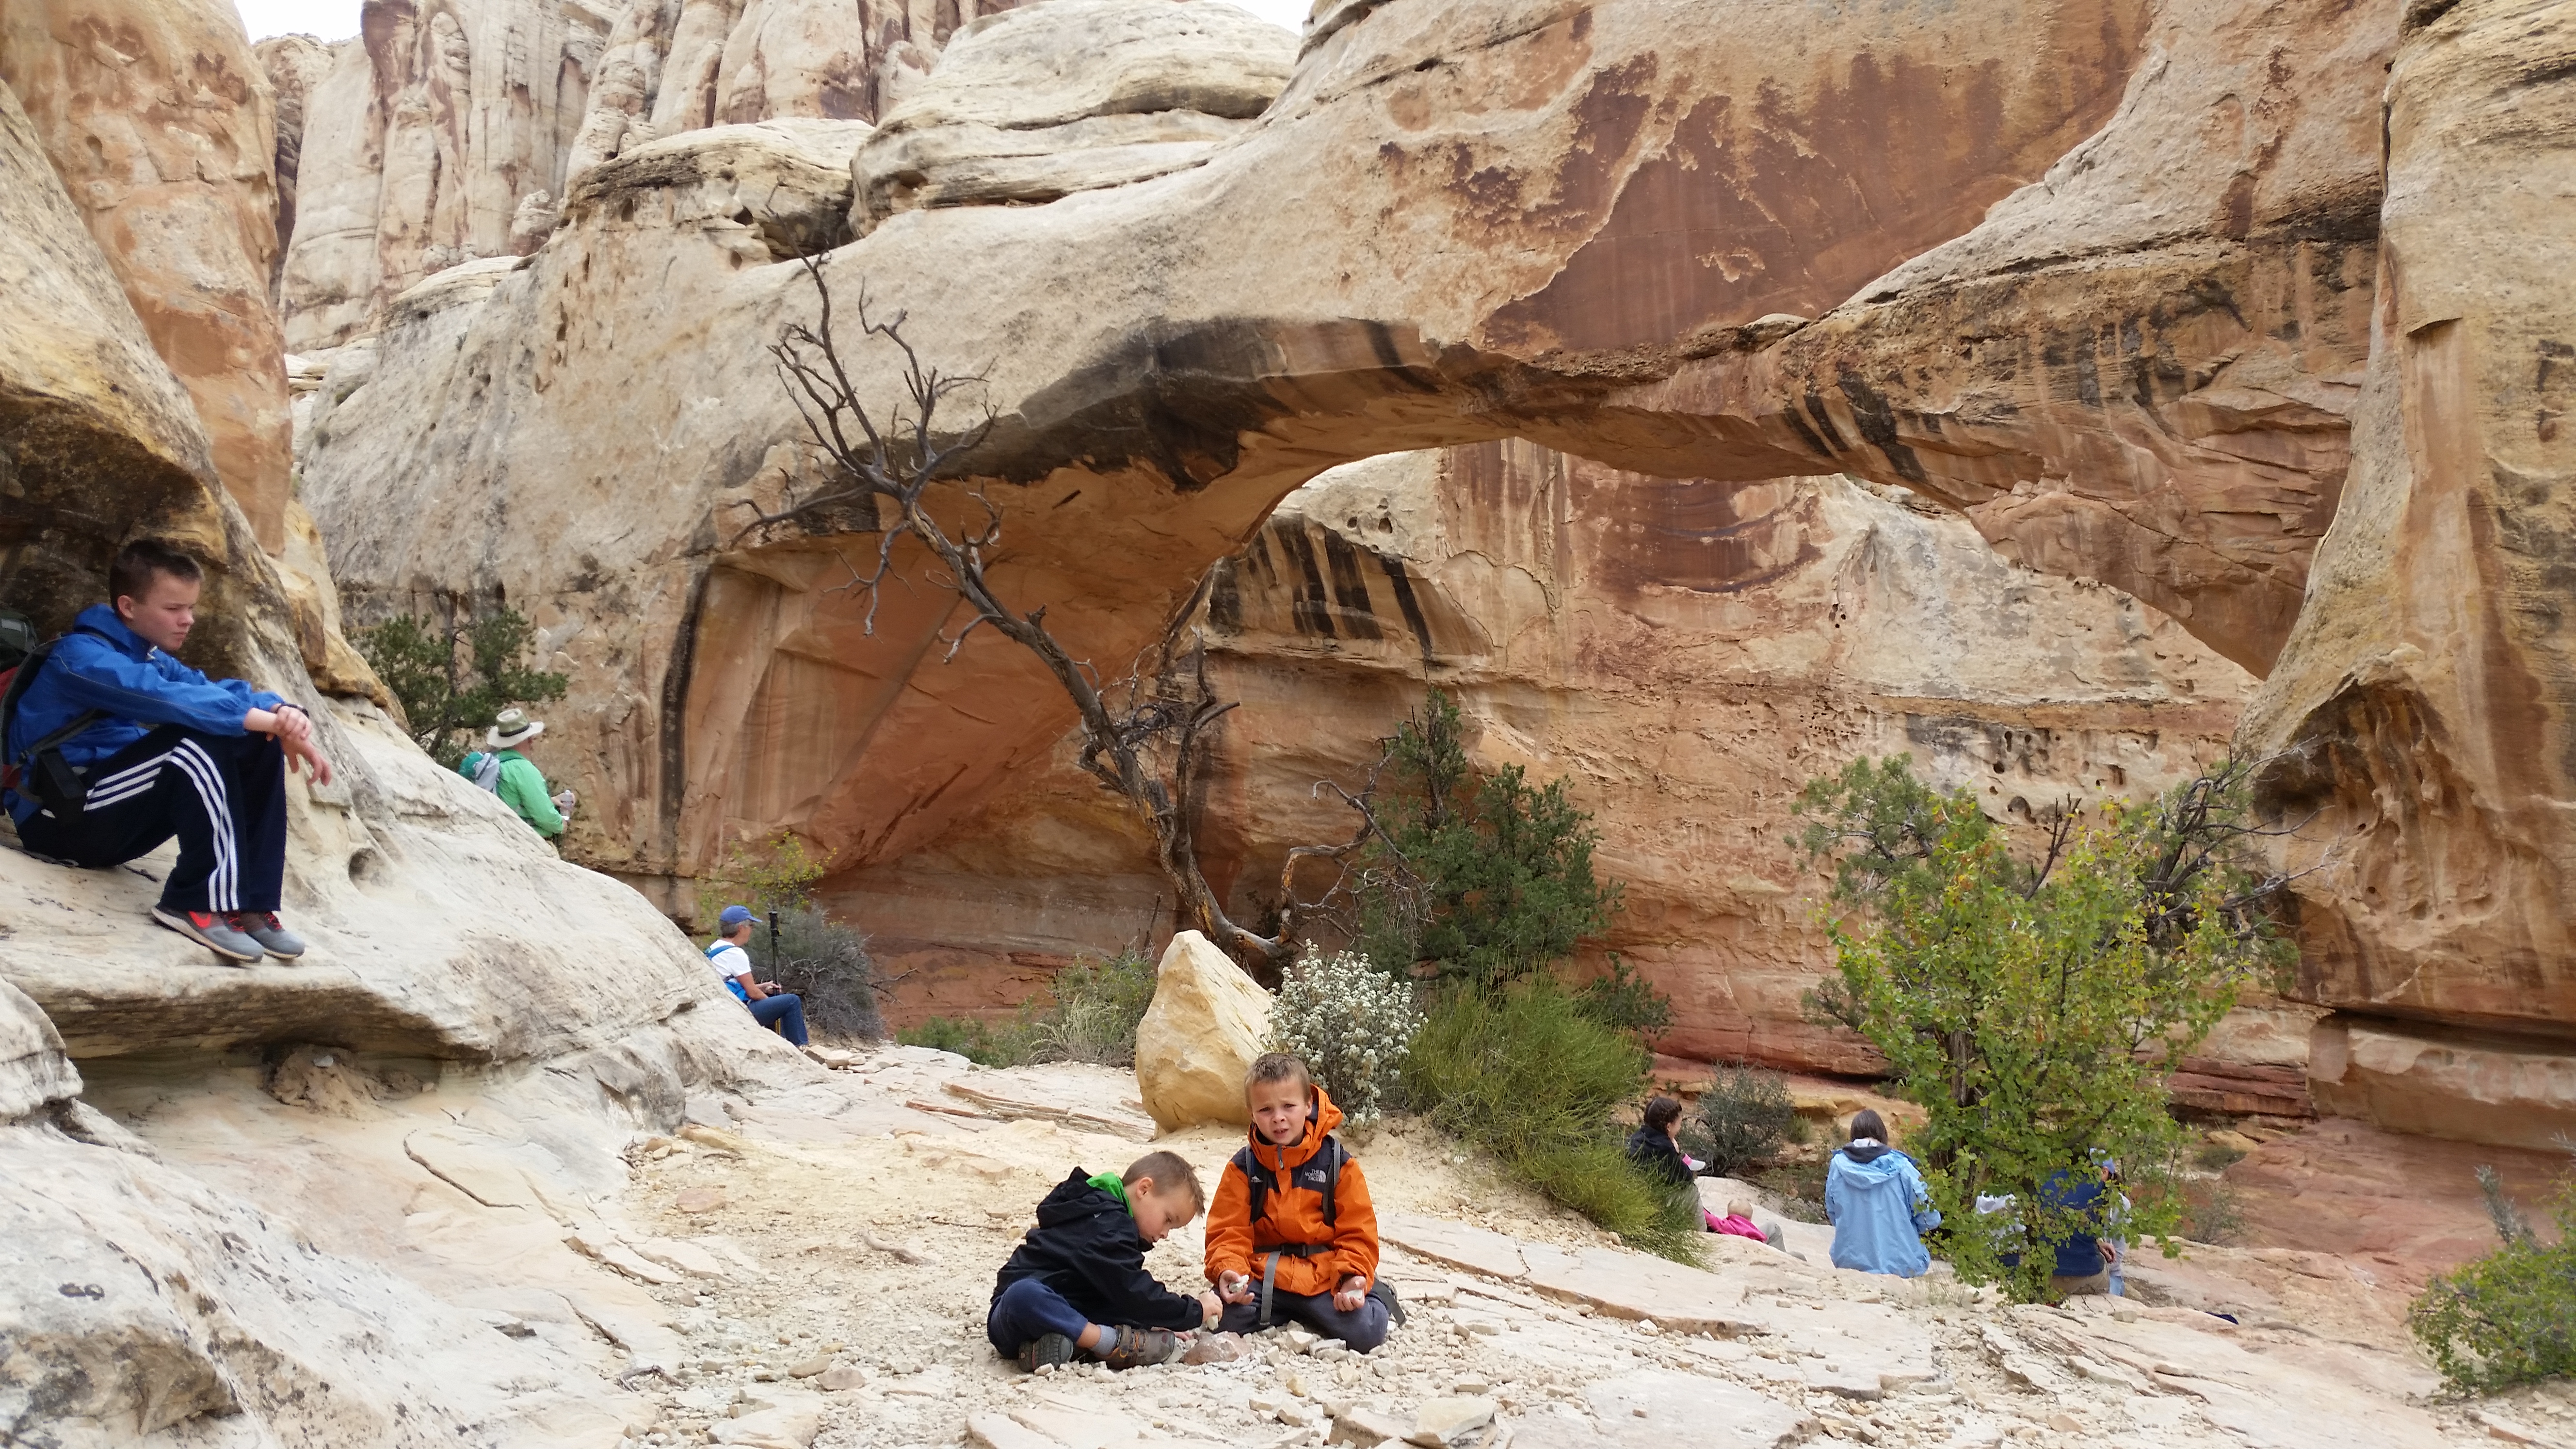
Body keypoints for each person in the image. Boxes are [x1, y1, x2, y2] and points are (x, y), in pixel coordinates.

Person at [2, 540, 332, 963]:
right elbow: (163, 696)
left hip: (111, 810)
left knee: (254, 740)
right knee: (193, 741)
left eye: (191, 608)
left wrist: (281, 713)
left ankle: (247, 903)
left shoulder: (150, 657)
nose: (188, 620)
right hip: (59, 817)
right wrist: (268, 721)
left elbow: (212, 690)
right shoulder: (78, 657)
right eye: (174, 609)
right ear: (128, 606)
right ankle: (192, 902)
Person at [1205, 1053, 1400, 1350]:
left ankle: (1371, 1291)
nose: (1278, 1118)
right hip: (1265, 1278)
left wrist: (1351, 1277)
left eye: (1289, 1106)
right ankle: (1293, 1312)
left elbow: (1358, 1233)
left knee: (1367, 1331)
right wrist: (1229, 1272)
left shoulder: (1339, 1165)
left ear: (1309, 1104)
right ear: (1251, 1112)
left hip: (1324, 1278)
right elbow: (1227, 1232)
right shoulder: (1244, 1167)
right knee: (1220, 1317)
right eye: (1266, 1109)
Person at [988, 1150, 1219, 1371]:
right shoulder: (1102, 1222)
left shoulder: (1113, 1224)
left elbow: (1117, 1291)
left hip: (1072, 1307)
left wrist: (1151, 1321)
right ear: (1145, 1189)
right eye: (1168, 1220)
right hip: (1013, 1317)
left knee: (1109, 1305)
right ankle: (1110, 1344)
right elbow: (1133, 1290)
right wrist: (1195, 1310)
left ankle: (1047, 1351)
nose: (1165, 1234)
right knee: (1025, 1294)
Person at [1824, 1109, 1942, 1277]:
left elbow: (1834, 1213)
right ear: (1882, 1134)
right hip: (1903, 1266)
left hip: (1850, 1263)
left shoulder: (1837, 1166)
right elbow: (1929, 1217)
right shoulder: (1902, 1167)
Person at [706, 904, 808, 1047]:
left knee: (776, 1000)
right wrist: (770, 1006)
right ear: (741, 928)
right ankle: (799, 1047)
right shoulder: (735, 953)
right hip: (738, 1011)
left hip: (723, 1007)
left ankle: (779, 1045)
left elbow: (730, 983)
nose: (751, 930)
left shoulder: (713, 948)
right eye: (751, 926)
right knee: (791, 1001)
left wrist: (763, 987)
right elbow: (752, 993)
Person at [462, 708, 574, 838]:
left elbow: (510, 798)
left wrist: (551, 801)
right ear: (527, 739)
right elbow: (545, 817)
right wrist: (561, 824)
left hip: (491, 831)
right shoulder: (523, 769)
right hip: (519, 838)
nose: (532, 740)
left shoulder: (495, 760)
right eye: (529, 737)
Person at [2037, 1162, 2114, 1299]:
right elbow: (2093, 1226)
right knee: (2109, 1270)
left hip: (2045, 1273)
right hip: (2087, 1276)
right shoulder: (2101, 1188)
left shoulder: (2040, 1179)